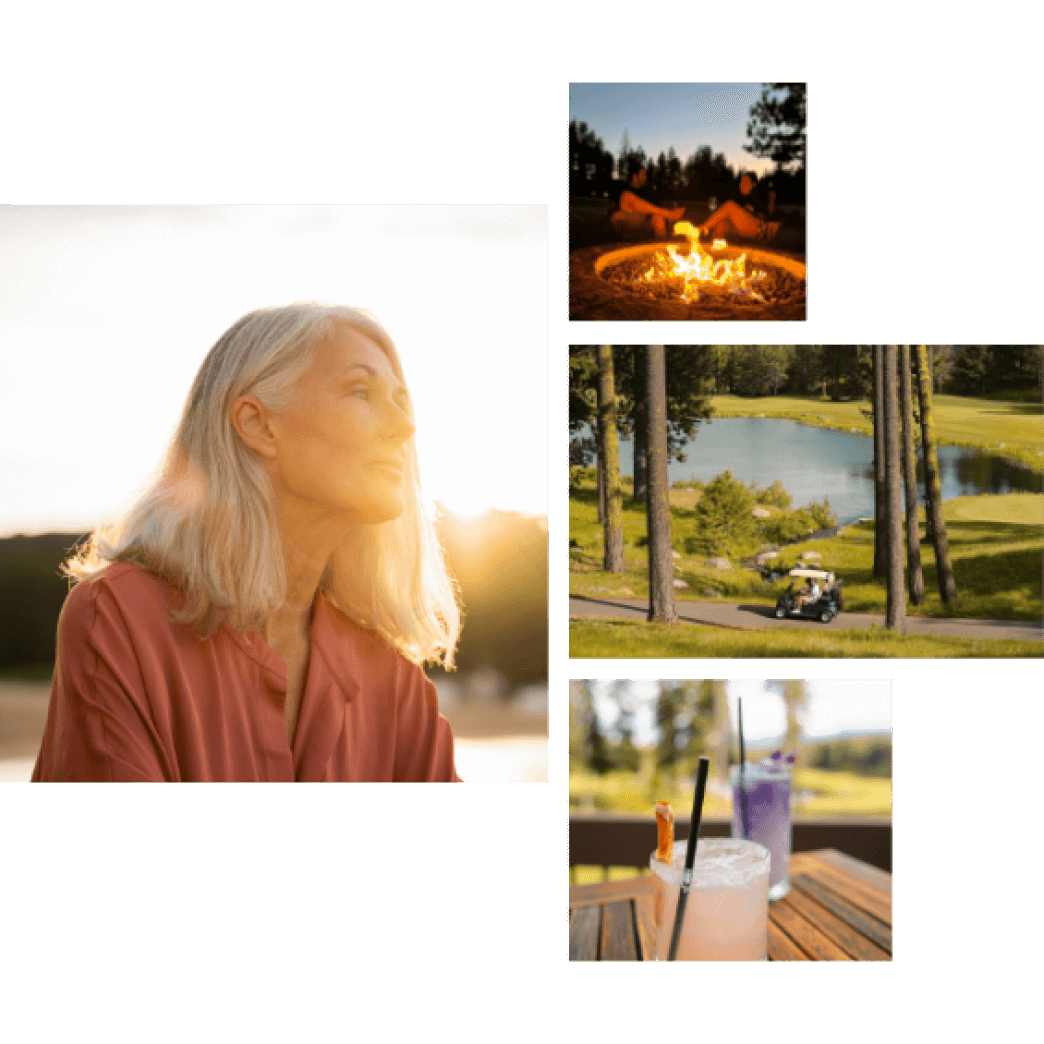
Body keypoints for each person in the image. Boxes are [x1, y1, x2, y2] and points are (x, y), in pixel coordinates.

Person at [32, 303, 464, 782]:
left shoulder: (393, 683)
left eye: (400, 401)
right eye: (361, 392)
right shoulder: (118, 620)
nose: (404, 427)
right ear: (257, 424)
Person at [699, 172, 782, 244]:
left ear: (753, 184)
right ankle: (716, 250)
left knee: (729, 205)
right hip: (742, 229)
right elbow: (729, 214)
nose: (742, 184)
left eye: (745, 181)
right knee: (721, 222)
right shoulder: (738, 197)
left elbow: (756, 214)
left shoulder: (758, 195)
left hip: (760, 229)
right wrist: (715, 213)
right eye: (741, 181)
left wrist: (731, 212)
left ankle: (697, 230)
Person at [609, 166, 686, 240]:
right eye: (643, 174)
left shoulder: (647, 191)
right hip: (627, 222)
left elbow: (658, 208)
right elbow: (612, 211)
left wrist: (670, 212)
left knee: (658, 217)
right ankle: (669, 214)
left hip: (644, 224)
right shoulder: (621, 188)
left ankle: (661, 246)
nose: (646, 177)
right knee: (626, 196)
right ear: (635, 176)